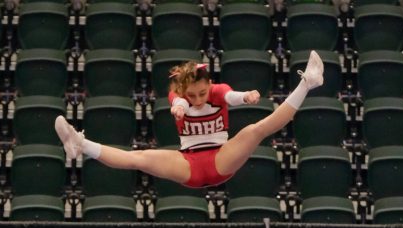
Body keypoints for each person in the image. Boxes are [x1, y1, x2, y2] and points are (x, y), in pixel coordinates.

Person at [55, 52, 324, 189]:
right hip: (189, 164)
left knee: (256, 130)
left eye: (202, 93)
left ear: (210, 84)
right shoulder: (180, 97)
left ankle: (308, 83)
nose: (197, 99)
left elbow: (230, 96)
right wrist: (179, 108)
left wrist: (246, 96)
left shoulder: (217, 91)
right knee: (139, 158)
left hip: (221, 158)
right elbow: (179, 103)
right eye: (191, 94)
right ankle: (80, 145)